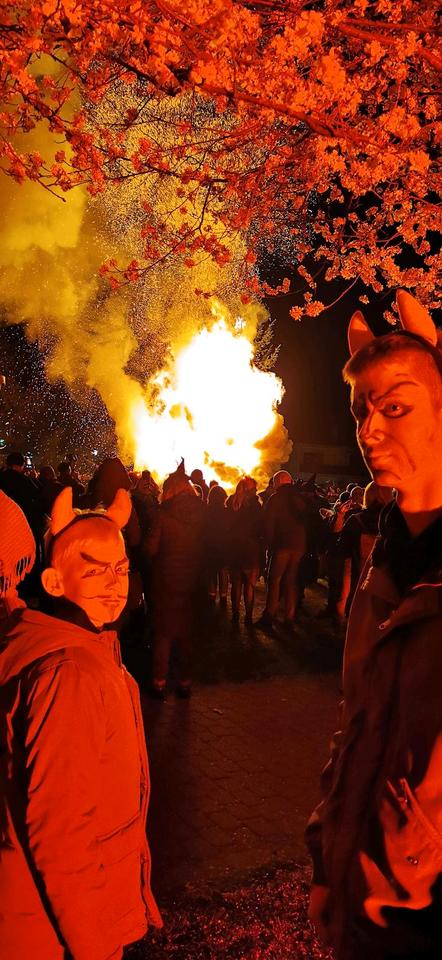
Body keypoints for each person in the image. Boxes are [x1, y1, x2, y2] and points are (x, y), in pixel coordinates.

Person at [306, 290, 442, 960]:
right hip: (366, 909)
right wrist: (326, 860)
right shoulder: (384, 563)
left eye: (396, 408)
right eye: (362, 410)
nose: (368, 430)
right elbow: (357, 722)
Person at [0, 485, 162, 959]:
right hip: (53, 932)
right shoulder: (69, 673)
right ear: (54, 582)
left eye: (122, 569)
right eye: (95, 570)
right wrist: (95, 945)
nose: (115, 584)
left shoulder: (83, 650)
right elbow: (61, 834)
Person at [145, 460, 205, 699]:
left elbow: (150, 549)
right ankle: (185, 682)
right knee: (187, 633)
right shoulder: (203, 512)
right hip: (194, 581)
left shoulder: (163, 514)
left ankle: (159, 682)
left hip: (166, 580)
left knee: (164, 633)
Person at [258, 470, 307, 629]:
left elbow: (268, 523)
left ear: (277, 483)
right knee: (291, 581)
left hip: (282, 545)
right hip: (299, 545)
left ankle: (269, 615)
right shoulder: (300, 497)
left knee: (275, 579)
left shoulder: (276, 498)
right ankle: (289, 617)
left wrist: (268, 543)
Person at [226, 476, 263, 624]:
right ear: (249, 490)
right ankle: (248, 617)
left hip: (234, 548)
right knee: (249, 585)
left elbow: (226, 527)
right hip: (251, 549)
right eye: (254, 488)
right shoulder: (256, 506)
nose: (256, 490)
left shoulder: (231, 503)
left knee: (236, 584)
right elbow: (260, 528)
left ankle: (235, 615)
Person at [205, 483, 229, 604]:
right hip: (224, 544)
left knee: (211, 570)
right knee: (223, 570)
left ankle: (212, 593)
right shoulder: (227, 512)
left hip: (210, 545)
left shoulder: (206, 512)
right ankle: (223, 595)